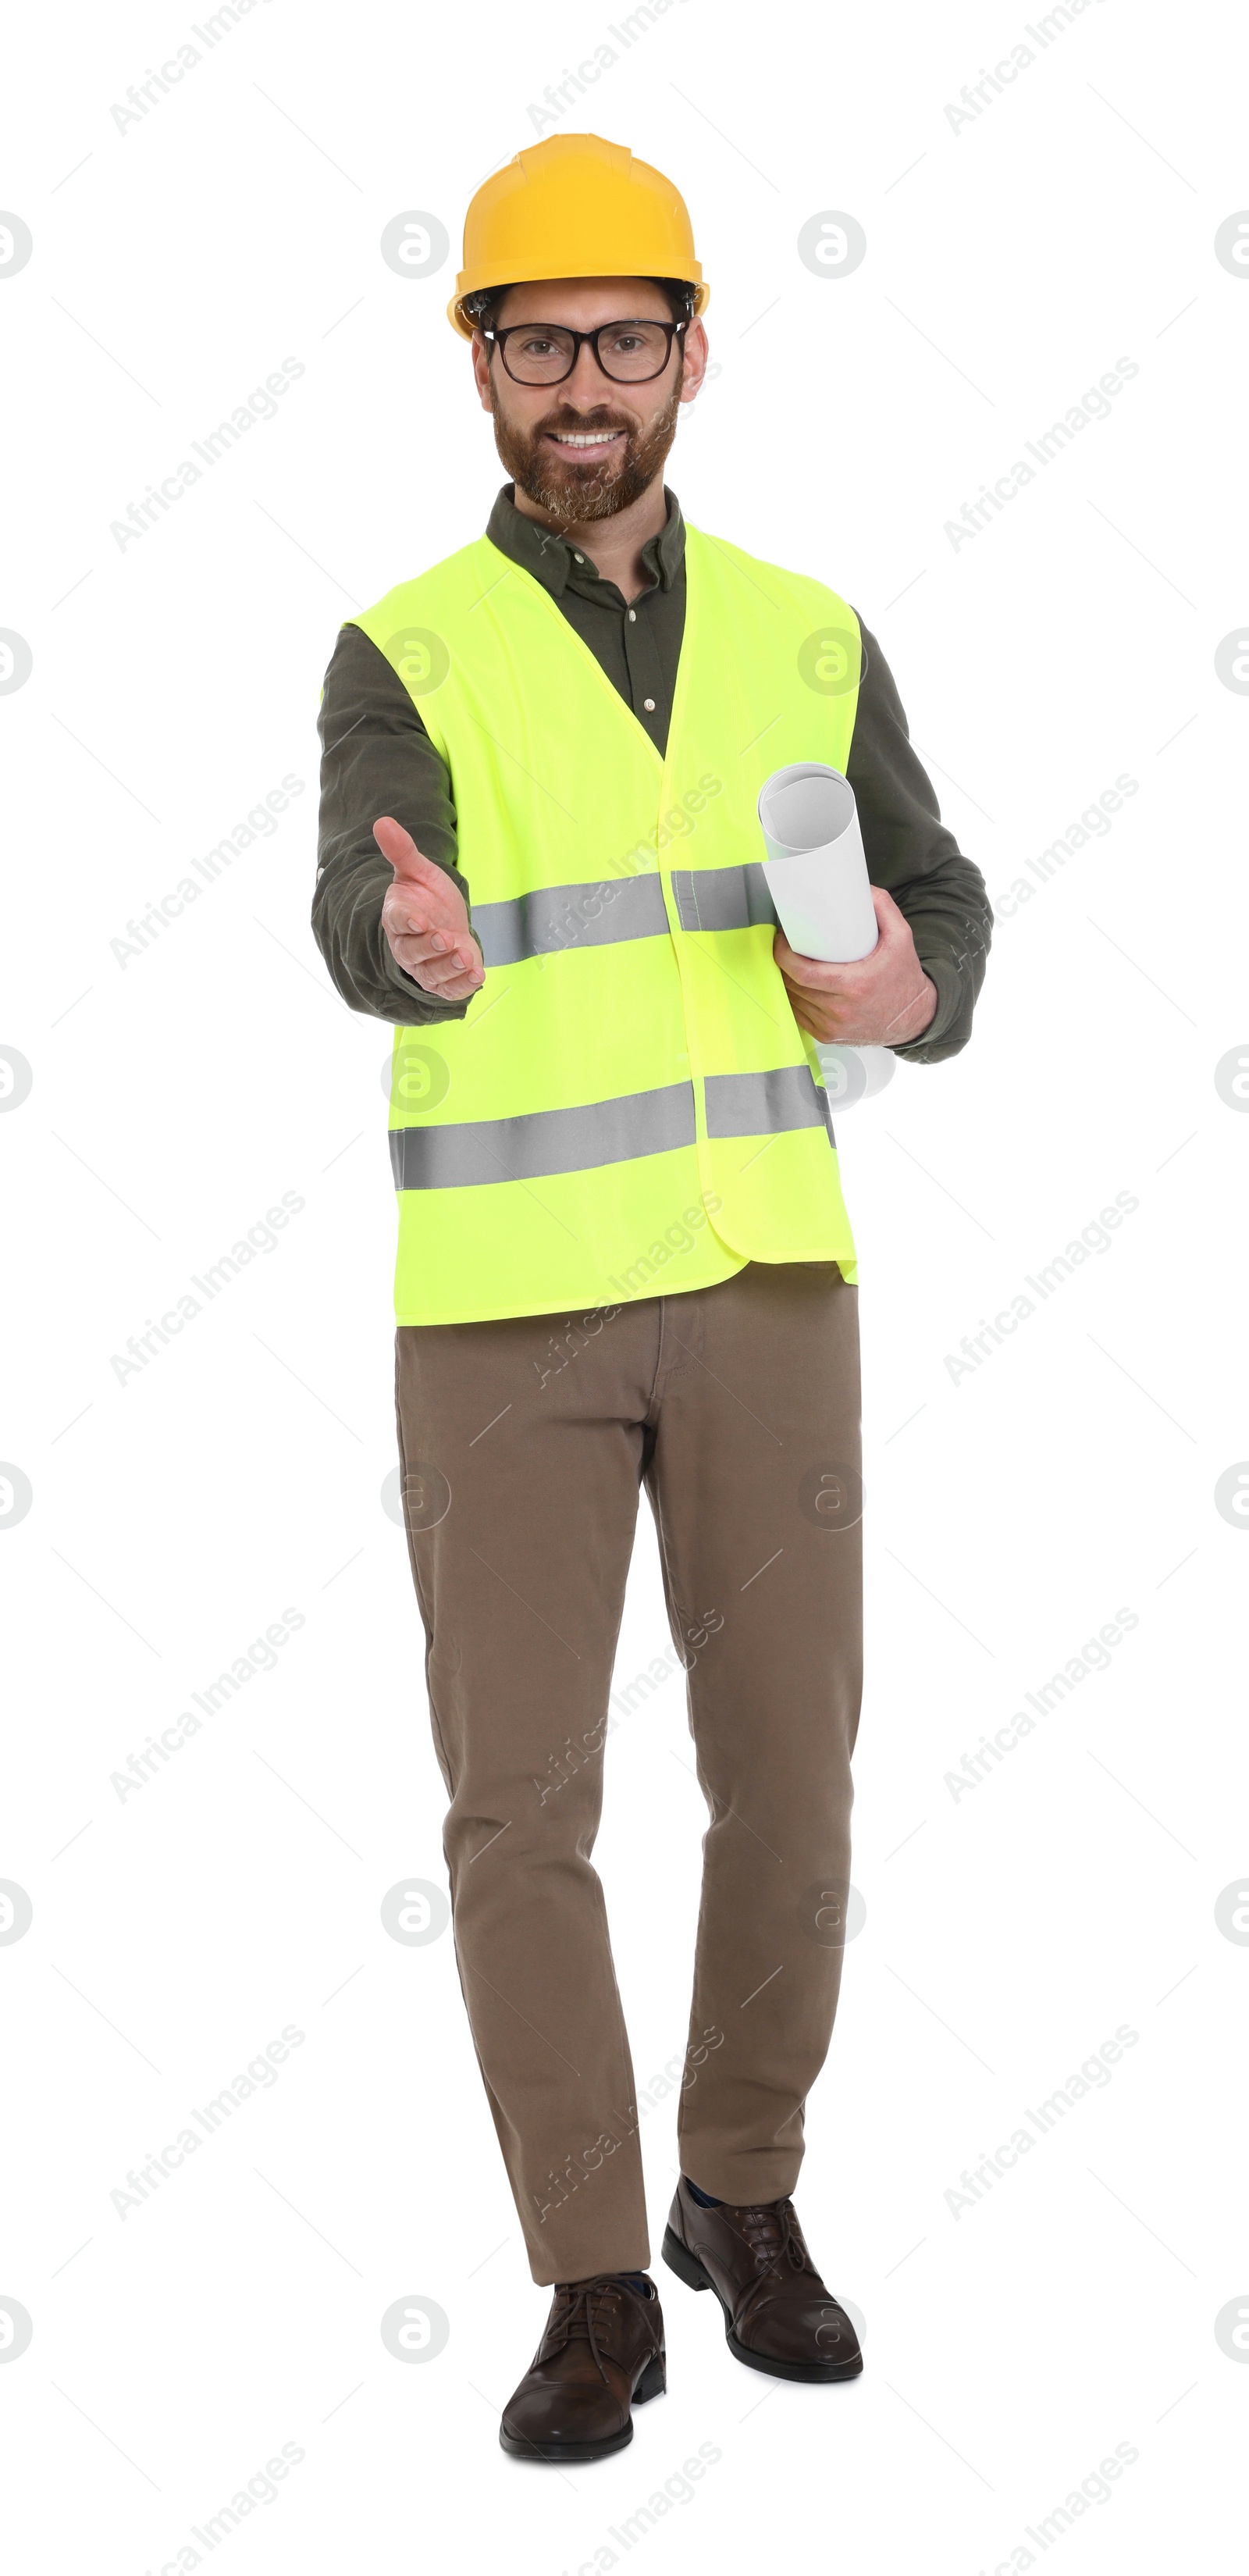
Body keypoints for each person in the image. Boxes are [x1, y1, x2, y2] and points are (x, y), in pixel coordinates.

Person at [314, 131, 991, 2464]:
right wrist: (399, 947)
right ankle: (595, 2272)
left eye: (621, 337)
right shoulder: (406, 642)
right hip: (504, 1303)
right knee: (522, 1808)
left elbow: (939, 911)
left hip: (765, 1277)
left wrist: (906, 982)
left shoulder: (812, 630)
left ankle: (744, 2190)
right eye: (535, 341)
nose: (579, 383)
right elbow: (358, 889)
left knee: (791, 1779)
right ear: (476, 364)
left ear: (693, 350)